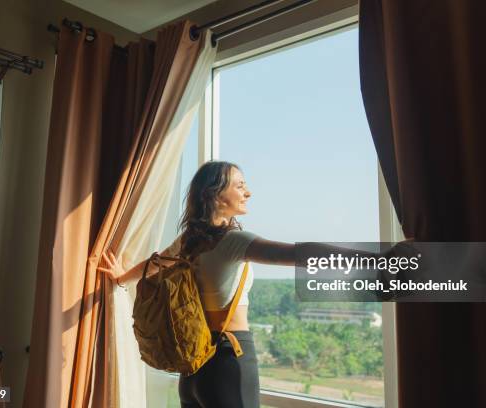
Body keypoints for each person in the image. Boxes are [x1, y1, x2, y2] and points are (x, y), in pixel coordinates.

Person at [97, 160, 394, 408]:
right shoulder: (233, 241)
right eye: (239, 185)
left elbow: (153, 264)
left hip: (193, 368)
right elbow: (298, 254)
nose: (248, 192)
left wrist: (121, 276)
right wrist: (376, 260)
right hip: (229, 359)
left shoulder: (188, 241)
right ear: (214, 195)